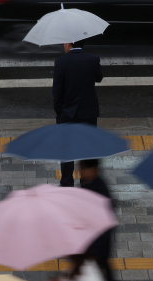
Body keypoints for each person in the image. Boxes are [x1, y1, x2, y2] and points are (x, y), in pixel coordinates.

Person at [79, 159, 144, 281]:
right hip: (92, 254)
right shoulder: (88, 185)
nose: (81, 172)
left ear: (94, 169)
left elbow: (103, 229)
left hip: (96, 255)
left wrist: (96, 257)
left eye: (83, 169)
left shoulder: (99, 191)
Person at [53, 39, 103, 187]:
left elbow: (57, 91)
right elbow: (99, 78)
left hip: (67, 113)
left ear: (69, 44)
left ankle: (67, 183)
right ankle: (87, 183)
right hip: (88, 112)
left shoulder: (61, 62)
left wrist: (59, 111)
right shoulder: (93, 59)